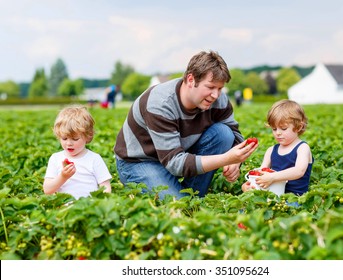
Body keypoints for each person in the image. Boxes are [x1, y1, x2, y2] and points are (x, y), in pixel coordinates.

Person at [114, 50, 258, 199]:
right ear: (191, 80)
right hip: (140, 162)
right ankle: (185, 196)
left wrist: (236, 162)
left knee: (224, 133)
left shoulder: (218, 99)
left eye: (219, 88)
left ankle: (191, 194)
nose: (215, 95)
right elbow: (174, 162)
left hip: (178, 154)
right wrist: (226, 159)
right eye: (210, 87)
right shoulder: (159, 104)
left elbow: (235, 134)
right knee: (180, 208)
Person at [242, 99, 313, 196]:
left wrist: (273, 177)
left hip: (295, 198)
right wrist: (250, 185)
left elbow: (299, 171)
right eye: (274, 129)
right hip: (272, 196)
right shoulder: (271, 150)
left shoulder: (302, 148)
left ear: (298, 127)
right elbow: (261, 173)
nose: (278, 133)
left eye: (283, 128)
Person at [43, 105, 112, 199]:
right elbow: (47, 190)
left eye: (75, 139)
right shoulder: (55, 158)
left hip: (88, 207)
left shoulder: (94, 159)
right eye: (64, 138)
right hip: (63, 209)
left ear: (88, 136)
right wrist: (63, 177)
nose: (69, 143)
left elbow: (105, 187)